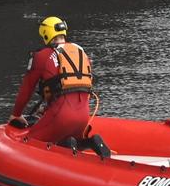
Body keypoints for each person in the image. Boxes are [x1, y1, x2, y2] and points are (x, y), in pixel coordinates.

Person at [9, 16, 108, 156]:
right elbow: (74, 88)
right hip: (83, 117)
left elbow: (27, 89)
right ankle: (90, 142)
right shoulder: (81, 53)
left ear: (45, 34)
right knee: (71, 139)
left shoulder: (42, 56)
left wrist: (16, 115)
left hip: (60, 117)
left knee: (28, 144)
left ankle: (67, 144)